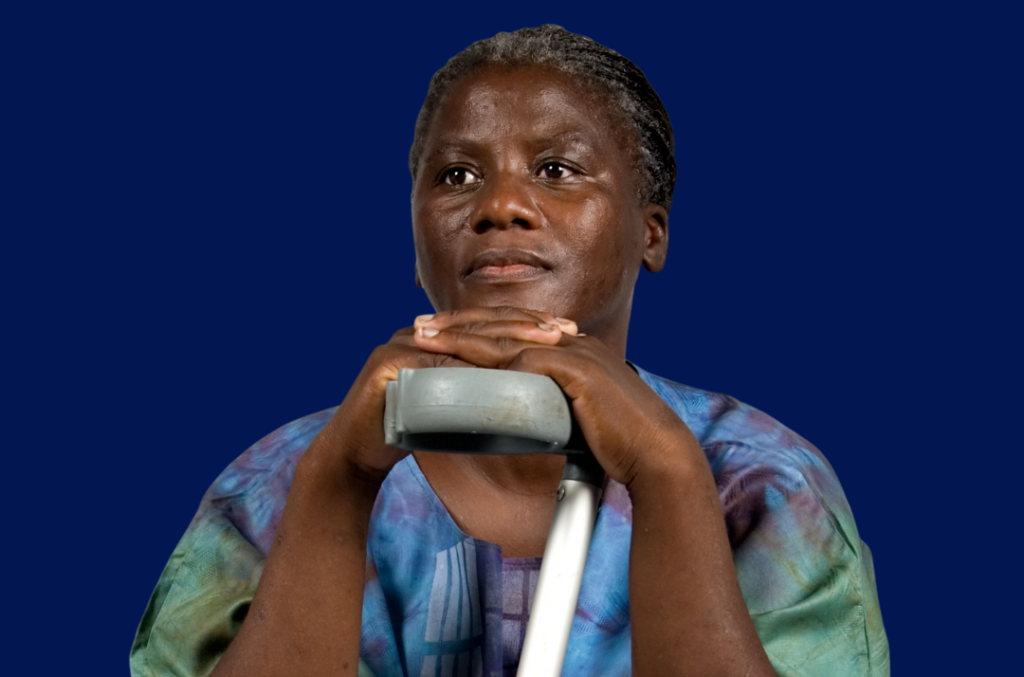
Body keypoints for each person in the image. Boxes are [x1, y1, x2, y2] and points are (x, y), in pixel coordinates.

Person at [130, 25, 888, 677]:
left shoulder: (761, 483)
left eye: (556, 169)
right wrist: (340, 476)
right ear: (417, 238)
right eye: (457, 175)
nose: (499, 206)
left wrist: (666, 470)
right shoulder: (273, 487)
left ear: (650, 231)